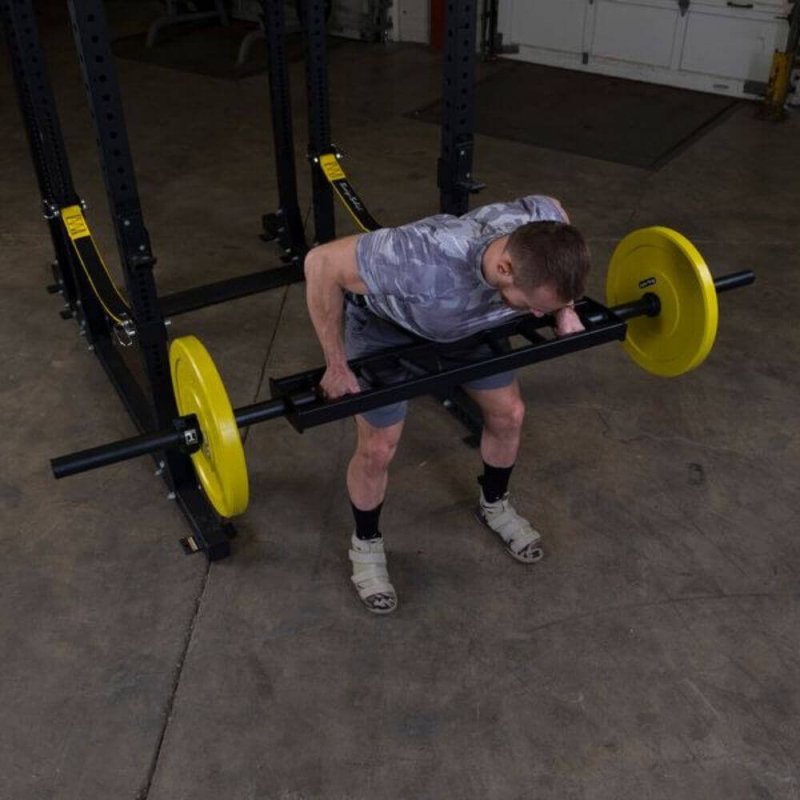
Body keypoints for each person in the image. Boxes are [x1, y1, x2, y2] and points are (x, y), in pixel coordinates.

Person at [304, 195, 591, 615]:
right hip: (391, 330)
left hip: (469, 327)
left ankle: (494, 504)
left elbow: (556, 208)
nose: (534, 315)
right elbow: (320, 263)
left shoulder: (540, 225)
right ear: (504, 269)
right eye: (531, 305)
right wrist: (335, 363)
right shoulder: (418, 256)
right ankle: (365, 543)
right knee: (378, 446)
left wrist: (562, 309)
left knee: (509, 414)